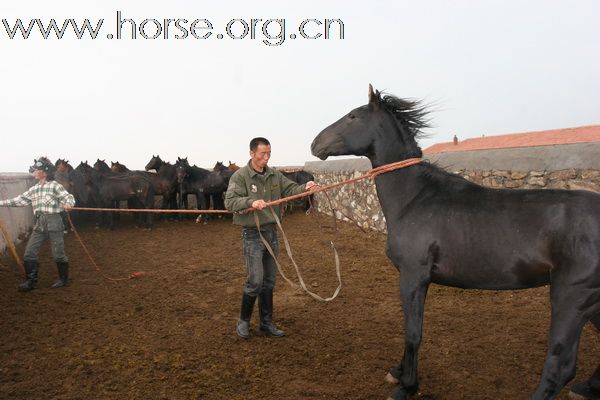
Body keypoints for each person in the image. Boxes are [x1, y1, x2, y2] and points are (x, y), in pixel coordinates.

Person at [225, 137, 317, 339]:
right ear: (251, 153)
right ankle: (244, 321)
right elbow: (229, 201)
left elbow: (290, 188)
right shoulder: (240, 177)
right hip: (252, 234)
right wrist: (251, 201)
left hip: (271, 232)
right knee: (255, 281)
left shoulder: (274, 175)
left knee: (269, 281)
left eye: (269, 153)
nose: (266, 158)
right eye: (262, 154)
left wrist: (305, 188)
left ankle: (266, 323)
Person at [0, 157, 75, 292]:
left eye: (37, 170)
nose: (34, 172)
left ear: (45, 172)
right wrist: (1, 203)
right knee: (29, 253)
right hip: (39, 222)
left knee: (58, 253)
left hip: (54, 220)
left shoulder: (55, 186)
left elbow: (68, 197)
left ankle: (63, 279)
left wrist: (69, 204)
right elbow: (19, 200)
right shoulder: (34, 189)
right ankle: (31, 281)